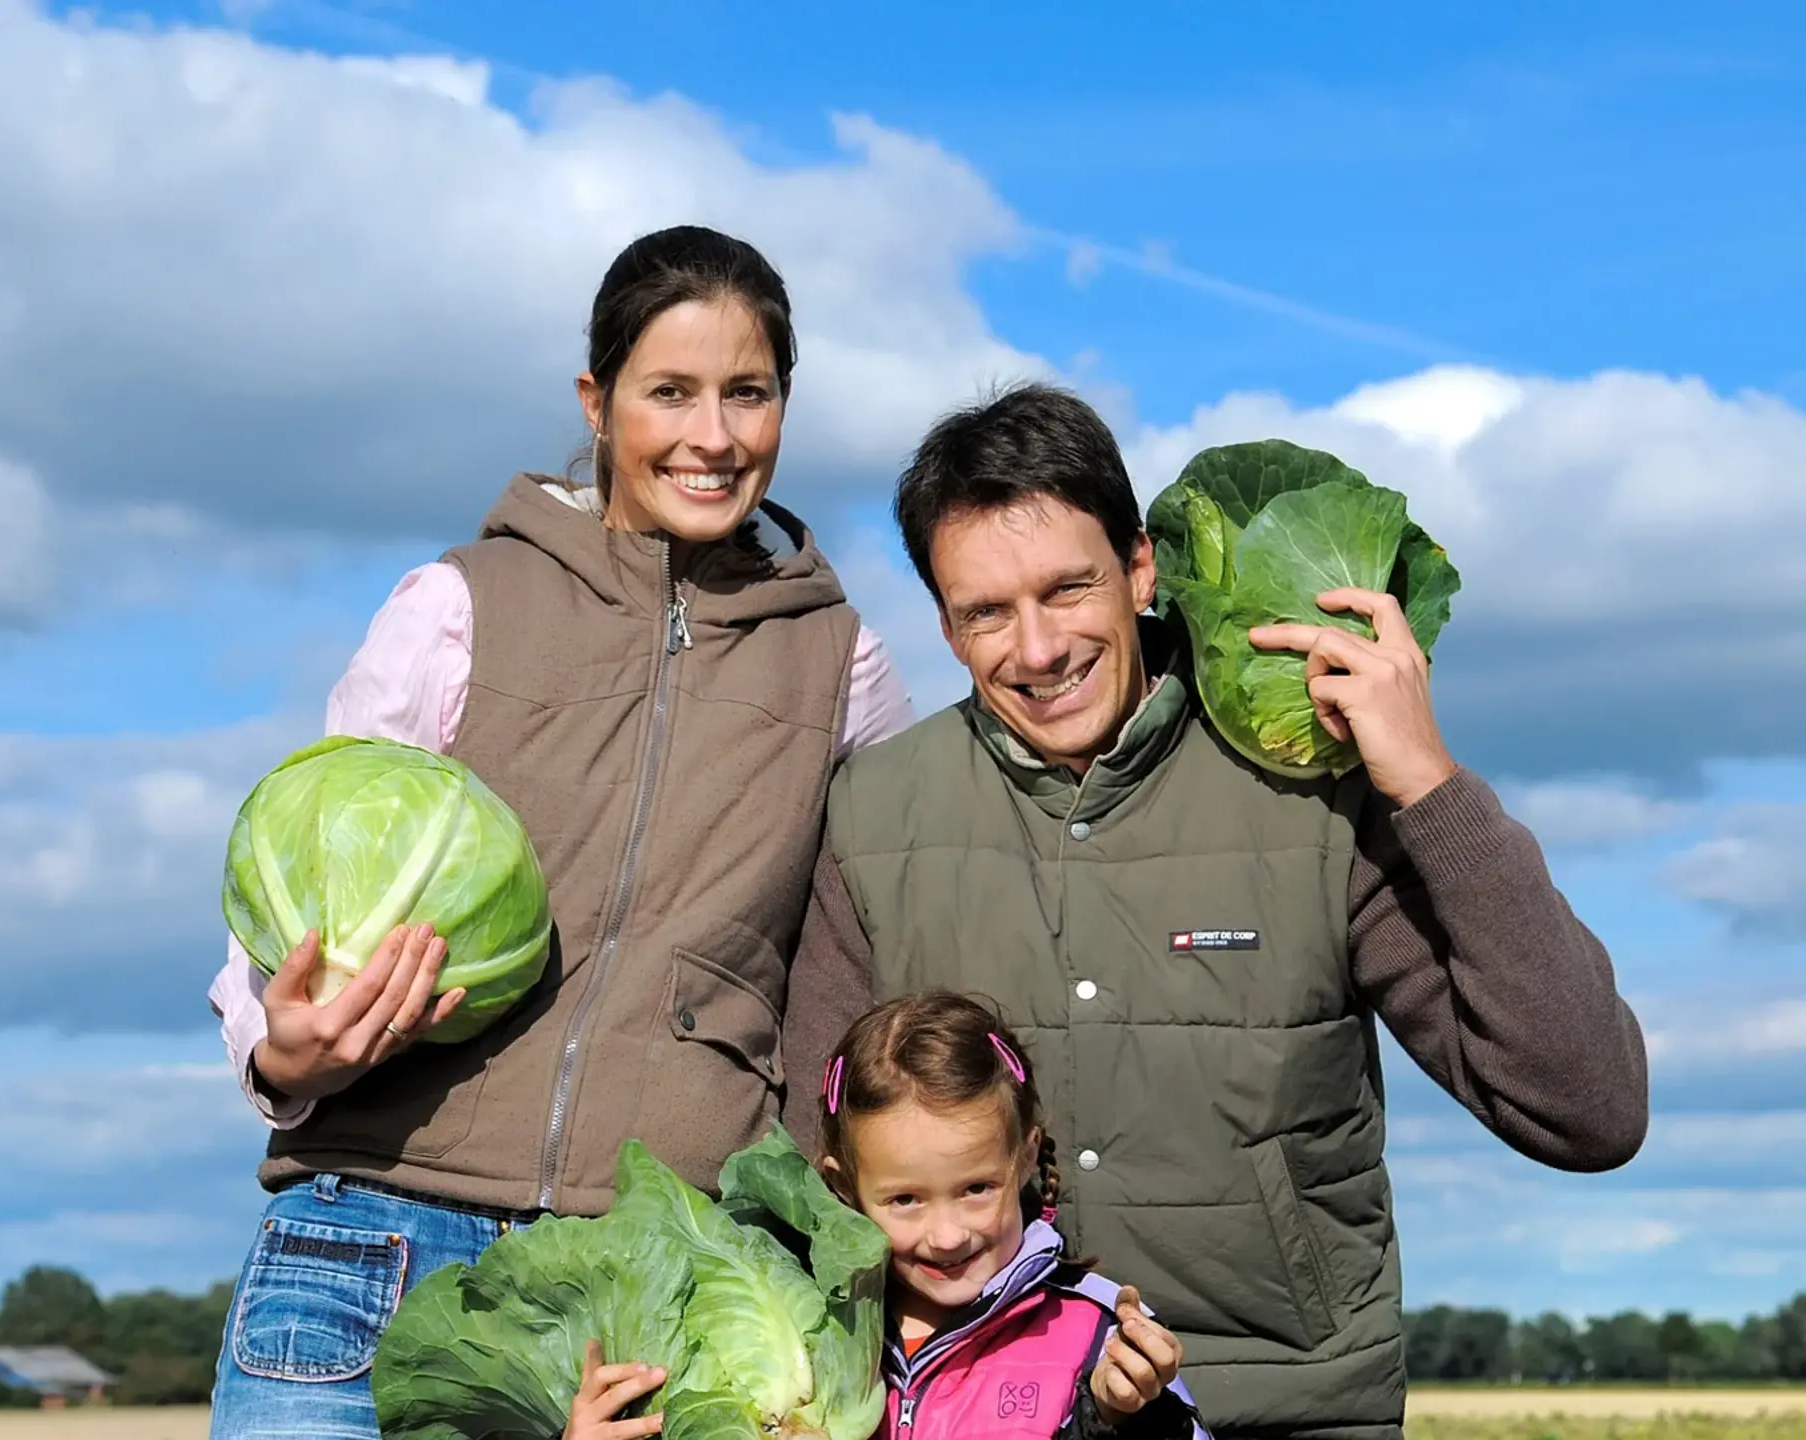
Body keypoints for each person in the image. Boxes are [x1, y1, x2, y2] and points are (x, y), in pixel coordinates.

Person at [790, 383, 1652, 1440]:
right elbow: (808, 1183)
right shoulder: (876, 815)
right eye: (986, 613)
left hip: (1286, 1405)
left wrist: (1428, 783)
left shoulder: (1313, 788)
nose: (1039, 648)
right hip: (997, 1415)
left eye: (1068, 590)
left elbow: (1589, 1110)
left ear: (1141, 568)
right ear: (943, 623)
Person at [204, 224, 914, 1439]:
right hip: (367, 1236)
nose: (714, 435)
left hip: (637, 1291)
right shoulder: (458, 606)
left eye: (749, 393)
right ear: (596, 401)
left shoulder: (841, 666)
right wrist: (280, 1058)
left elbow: (867, 952)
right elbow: (295, 900)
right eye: (670, 392)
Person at [563, 990, 1214, 1440]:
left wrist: (1125, 1417)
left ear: (1026, 1159)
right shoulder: (799, 1332)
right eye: (905, 1200)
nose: (949, 1233)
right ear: (842, 1190)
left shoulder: (1095, 1334)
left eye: (977, 1188)